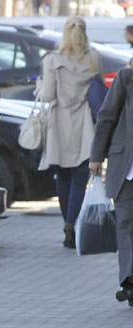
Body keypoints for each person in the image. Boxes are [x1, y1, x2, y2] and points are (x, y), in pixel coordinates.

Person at [39, 16, 102, 248]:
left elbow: (47, 95)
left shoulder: (52, 60)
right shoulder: (93, 57)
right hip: (84, 125)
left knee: (63, 177)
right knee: (79, 177)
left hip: (59, 125)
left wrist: (39, 85)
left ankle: (67, 222)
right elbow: (97, 90)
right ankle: (72, 223)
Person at [89, 64, 133, 302]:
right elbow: (106, 117)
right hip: (126, 168)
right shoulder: (127, 78)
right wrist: (96, 156)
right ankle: (129, 281)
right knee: (125, 222)